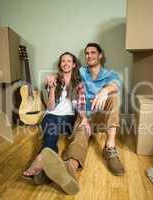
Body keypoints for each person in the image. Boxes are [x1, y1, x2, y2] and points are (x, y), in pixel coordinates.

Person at [41, 43, 124, 195]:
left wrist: (104, 91)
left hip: (102, 116)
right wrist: (52, 77)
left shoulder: (109, 74)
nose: (89, 56)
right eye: (87, 53)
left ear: (100, 55)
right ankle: (69, 169)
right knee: (79, 139)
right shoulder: (81, 71)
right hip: (84, 116)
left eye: (93, 52)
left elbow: (117, 84)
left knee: (114, 97)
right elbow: (64, 71)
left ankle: (110, 148)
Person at [22, 52, 88, 184]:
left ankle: (43, 162)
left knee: (54, 126)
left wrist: (84, 118)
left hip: (68, 118)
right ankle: (43, 160)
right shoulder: (53, 80)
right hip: (51, 115)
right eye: (63, 61)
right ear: (60, 64)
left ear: (74, 64)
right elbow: (51, 108)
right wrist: (52, 89)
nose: (66, 63)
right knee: (51, 128)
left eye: (69, 61)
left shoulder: (79, 83)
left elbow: (81, 104)